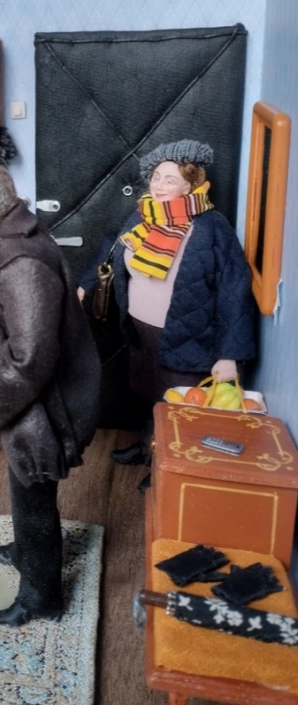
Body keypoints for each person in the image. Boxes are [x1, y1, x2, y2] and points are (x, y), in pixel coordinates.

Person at [0, 161, 101, 627]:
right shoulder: (3, 238)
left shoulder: (22, 262)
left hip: (48, 406)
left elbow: (30, 362)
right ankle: (25, 550)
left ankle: (40, 596)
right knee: (22, 482)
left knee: (33, 494)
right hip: (29, 400)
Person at [78, 140, 256, 490]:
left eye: (169, 180)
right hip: (141, 329)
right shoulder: (144, 213)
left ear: (190, 185)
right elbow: (112, 244)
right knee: (147, 391)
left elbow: (235, 290)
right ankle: (149, 447)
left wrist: (230, 355)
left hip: (186, 333)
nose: (158, 186)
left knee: (179, 405)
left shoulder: (212, 227)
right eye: (156, 177)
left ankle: (168, 467)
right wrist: (85, 284)